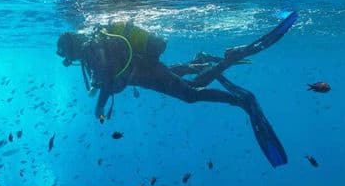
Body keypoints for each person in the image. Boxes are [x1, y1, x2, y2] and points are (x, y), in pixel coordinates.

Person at [56, 12, 298, 167]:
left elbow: (109, 82)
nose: (68, 59)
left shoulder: (92, 52)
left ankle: (237, 86)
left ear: (72, 47)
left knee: (191, 93)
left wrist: (99, 107)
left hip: (149, 74)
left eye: (66, 54)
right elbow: (117, 75)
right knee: (186, 85)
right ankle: (201, 61)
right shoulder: (94, 48)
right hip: (148, 73)